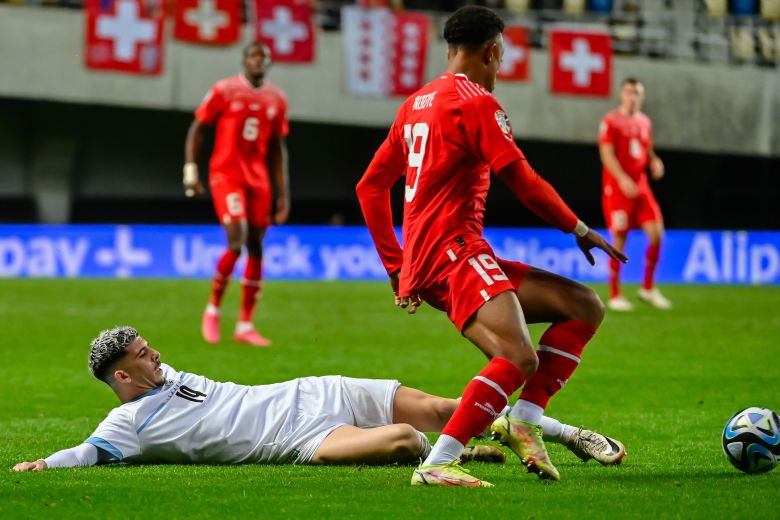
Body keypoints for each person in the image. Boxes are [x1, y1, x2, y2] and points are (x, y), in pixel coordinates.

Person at [356, 5, 627, 487]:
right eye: (500, 57)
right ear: (491, 50)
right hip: (454, 251)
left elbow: (370, 187)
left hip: (445, 255)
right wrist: (578, 227)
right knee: (521, 358)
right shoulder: (475, 102)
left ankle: (524, 419)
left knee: (582, 305)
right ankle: (439, 462)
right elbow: (522, 180)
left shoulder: (414, 103)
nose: (499, 67)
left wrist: (397, 266)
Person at [12, 327, 624, 473]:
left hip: (313, 391)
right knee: (408, 443)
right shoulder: (129, 422)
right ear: (121, 378)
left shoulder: (161, 373)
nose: (153, 354)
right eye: (140, 356)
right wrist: (46, 464)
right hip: (299, 440)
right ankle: (461, 451)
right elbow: (89, 452)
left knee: (443, 409)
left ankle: (559, 433)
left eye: (147, 347)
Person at [183, 42, 290, 347]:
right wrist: (191, 171)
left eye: (263, 58)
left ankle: (245, 324)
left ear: (268, 63)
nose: (258, 62)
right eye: (254, 57)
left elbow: (277, 150)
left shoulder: (277, 99)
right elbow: (198, 129)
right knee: (237, 240)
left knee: (256, 247)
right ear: (245, 61)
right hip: (227, 175)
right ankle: (213, 308)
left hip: (258, 180)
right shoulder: (224, 90)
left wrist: (283, 194)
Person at [598, 78, 670, 311]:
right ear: (622, 94)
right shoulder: (610, 121)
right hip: (618, 188)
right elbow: (606, 154)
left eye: (637, 92)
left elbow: (646, 149)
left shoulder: (644, 122)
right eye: (629, 92)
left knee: (657, 233)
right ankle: (615, 294)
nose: (633, 97)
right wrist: (622, 179)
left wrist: (654, 161)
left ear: (642, 96)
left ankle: (647, 288)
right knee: (619, 239)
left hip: (641, 186)